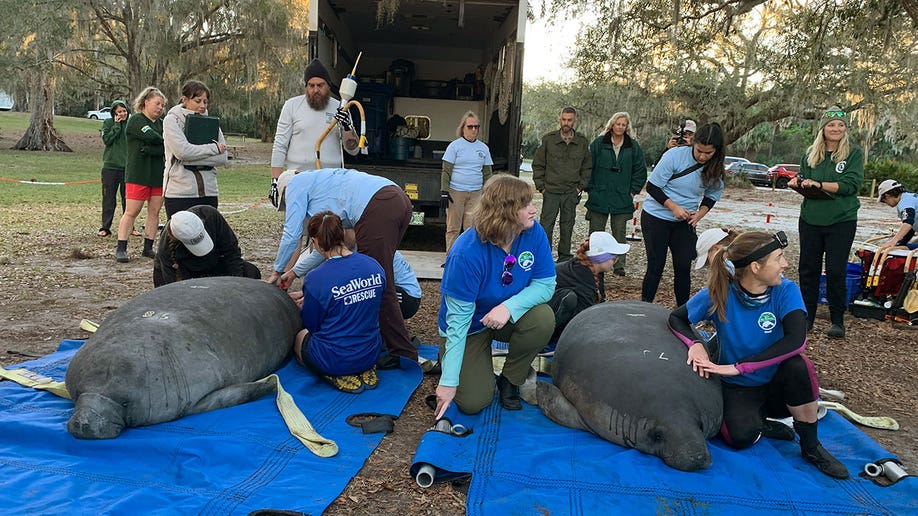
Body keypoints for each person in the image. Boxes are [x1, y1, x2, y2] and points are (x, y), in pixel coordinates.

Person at [668, 231, 849, 479]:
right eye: (779, 258)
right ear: (755, 267)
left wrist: (740, 366)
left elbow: (796, 340)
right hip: (739, 387)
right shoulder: (718, 292)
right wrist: (695, 344)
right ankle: (761, 423)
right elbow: (677, 318)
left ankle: (811, 447)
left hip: (777, 385)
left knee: (799, 366)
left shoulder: (786, 291)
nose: (785, 264)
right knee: (739, 438)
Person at [435, 174, 556, 418]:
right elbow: (457, 325)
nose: (533, 210)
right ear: (506, 211)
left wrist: (509, 308)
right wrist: (448, 382)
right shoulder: (466, 253)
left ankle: (511, 379)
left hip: (506, 317)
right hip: (469, 327)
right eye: (525, 205)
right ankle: (465, 366)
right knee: (472, 403)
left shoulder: (533, 232)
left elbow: (545, 284)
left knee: (543, 319)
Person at [270, 167, 416, 362]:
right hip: (396, 198)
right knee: (372, 281)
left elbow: (291, 234)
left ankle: (401, 352)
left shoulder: (295, 185)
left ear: (284, 189)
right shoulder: (322, 185)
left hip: (379, 205)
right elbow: (332, 247)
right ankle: (380, 341)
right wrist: (295, 272)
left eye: (286, 203)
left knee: (378, 285)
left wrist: (277, 271)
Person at [787, 107, 864, 338]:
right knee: (807, 268)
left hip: (841, 220)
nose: (836, 129)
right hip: (811, 218)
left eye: (841, 125)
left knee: (835, 270)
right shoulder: (811, 154)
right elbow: (804, 177)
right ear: (823, 128)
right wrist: (798, 183)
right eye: (831, 125)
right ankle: (807, 317)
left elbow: (851, 185)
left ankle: (837, 319)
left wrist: (819, 184)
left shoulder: (853, 153)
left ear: (846, 129)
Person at [291, 211, 385, 394]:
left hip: (334, 358)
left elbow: (312, 325)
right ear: (342, 233)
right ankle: (362, 369)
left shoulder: (315, 278)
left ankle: (332, 373)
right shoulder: (374, 265)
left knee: (299, 337)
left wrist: (306, 305)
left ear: (315, 241)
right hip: (370, 352)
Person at [641, 122, 726, 307]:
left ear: (716, 151)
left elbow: (711, 196)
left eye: (708, 153)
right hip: (656, 217)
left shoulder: (716, 167)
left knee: (683, 267)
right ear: (693, 143)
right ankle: (644, 307)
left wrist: (699, 214)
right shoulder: (674, 155)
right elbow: (652, 187)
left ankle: (683, 311)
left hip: (685, 221)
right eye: (699, 151)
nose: (702, 156)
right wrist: (674, 207)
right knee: (656, 265)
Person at [268, 59, 359, 208]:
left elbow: (353, 149)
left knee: (328, 227)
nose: (315, 90)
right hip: (298, 178)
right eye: (311, 86)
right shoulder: (292, 106)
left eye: (320, 85)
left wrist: (348, 127)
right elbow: (280, 145)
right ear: (306, 86)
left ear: (328, 86)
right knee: (297, 226)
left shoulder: (341, 107)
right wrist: (275, 181)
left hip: (331, 180)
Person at [585, 112, 647, 276]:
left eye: (623, 124)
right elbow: (588, 166)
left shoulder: (633, 146)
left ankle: (619, 264)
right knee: (596, 231)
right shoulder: (599, 143)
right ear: (612, 124)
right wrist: (590, 188)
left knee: (619, 231)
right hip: (600, 194)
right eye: (618, 124)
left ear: (627, 127)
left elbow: (640, 171)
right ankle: (594, 261)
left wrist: (632, 191)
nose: (620, 127)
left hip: (622, 195)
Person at [532, 107, 592, 263]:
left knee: (567, 226)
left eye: (569, 120)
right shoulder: (549, 140)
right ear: (560, 120)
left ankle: (564, 258)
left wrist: (580, 187)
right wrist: (541, 187)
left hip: (571, 192)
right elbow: (538, 164)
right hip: (551, 191)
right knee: (546, 226)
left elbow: (587, 167)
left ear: (575, 121)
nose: (566, 123)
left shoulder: (582, 142)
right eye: (564, 119)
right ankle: (544, 257)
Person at [115, 87, 167, 263]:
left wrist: (153, 149)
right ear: (146, 102)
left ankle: (148, 247)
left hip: (158, 174)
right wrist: (160, 144)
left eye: (162, 105)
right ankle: (121, 247)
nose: (160, 108)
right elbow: (153, 137)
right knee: (132, 211)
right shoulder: (136, 120)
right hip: (138, 174)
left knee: (154, 211)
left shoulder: (162, 123)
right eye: (157, 103)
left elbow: (166, 146)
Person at [162, 80, 228, 217]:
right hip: (180, 193)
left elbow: (222, 157)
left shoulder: (211, 122)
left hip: (209, 192)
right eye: (198, 101)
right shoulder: (171, 121)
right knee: (180, 236)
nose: (202, 106)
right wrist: (213, 148)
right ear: (185, 100)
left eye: (205, 102)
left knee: (208, 234)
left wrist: (191, 158)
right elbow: (182, 152)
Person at [152, 205, 261, 287]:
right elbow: (175, 287)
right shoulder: (165, 248)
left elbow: (231, 253)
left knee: (250, 272)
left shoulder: (211, 216)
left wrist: (235, 284)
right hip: (186, 271)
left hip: (213, 265)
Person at [548, 231, 630, 340]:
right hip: (546, 313)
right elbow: (585, 315)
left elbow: (600, 304)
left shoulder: (594, 269)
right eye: (614, 259)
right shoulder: (581, 275)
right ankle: (548, 340)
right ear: (601, 258)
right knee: (569, 298)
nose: (615, 262)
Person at [441, 110, 493, 253]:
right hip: (456, 191)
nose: (473, 130)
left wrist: (488, 193)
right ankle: (451, 257)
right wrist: (444, 192)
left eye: (476, 127)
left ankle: (469, 258)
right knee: (453, 228)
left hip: (476, 193)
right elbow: (446, 171)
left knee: (472, 228)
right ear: (463, 128)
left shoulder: (483, 148)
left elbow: (487, 173)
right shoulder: (454, 146)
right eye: (470, 126)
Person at [98, 100, 129, 237]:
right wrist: (116, 126)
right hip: (110, 166)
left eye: (124, 111)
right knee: (109, 198)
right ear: (114, 114)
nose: (122, 114)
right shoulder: (108, 124)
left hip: (127, 167)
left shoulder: (130, 125)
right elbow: (107, 140)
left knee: (127, 199)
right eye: (119, 112)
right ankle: (105, 227)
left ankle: (129, 226)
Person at [876, 180, 918, 250]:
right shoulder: (909, 197)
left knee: (911, 249)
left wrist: (893, 241)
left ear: (887, 195)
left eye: (883, 200)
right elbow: (911, 228)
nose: (885, 203)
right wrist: (901, 243)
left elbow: (908, 223)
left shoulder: (905, 202)